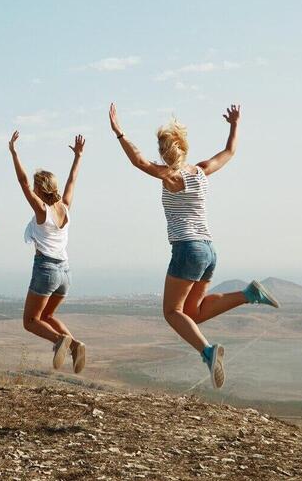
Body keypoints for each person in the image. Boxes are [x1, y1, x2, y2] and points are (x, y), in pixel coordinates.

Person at [108, 103, 279, 389]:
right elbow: (229, 152)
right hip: (208, 250)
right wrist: (234, 124)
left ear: (164, 153)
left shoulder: (170, 178)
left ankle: (208, 351)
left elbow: (138, 161)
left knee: (172, 312)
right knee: (194, 312)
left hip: (187, 249)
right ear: (184, 148)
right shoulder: (200, 172)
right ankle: (249, 294)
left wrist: (119, 132)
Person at [9, 130, 87, 373]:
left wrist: (14, 153)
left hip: (46, 270)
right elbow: (72, 180)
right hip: (65, 272)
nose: (31, 190)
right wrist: (78, 157)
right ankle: (75, 345)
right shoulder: (65, 207)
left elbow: (22, 182)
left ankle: (60, 341)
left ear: (41, 191)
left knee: (31, 321)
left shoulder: (41, 210)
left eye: (35, 188)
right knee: (48, 317)